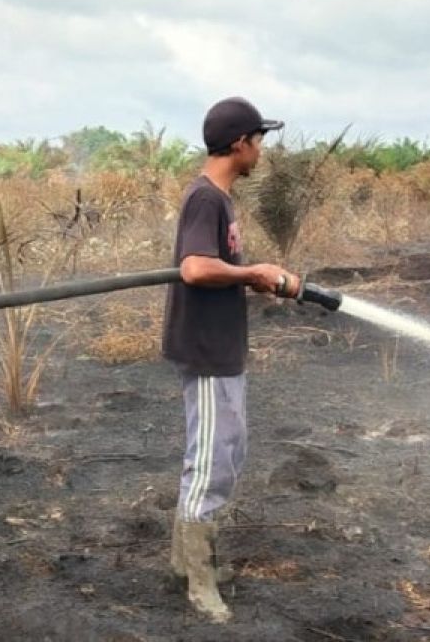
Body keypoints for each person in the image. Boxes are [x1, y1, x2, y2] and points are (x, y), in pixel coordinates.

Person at [161, 96, 301, 623]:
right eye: (259, 139)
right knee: (212, 460)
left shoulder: (219, 196)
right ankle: (199, 581)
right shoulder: (206, 200)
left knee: (226, 448)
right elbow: (195, 268)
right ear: (240, 144)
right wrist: (252, 272)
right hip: (205, 350)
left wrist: (254, 277)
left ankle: (186, 562)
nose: (262, 149)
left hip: (220, 345)